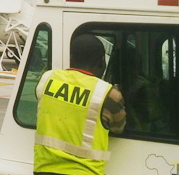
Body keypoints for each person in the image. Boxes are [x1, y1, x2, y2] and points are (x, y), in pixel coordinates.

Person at [34, 35, 125, 175]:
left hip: (44, 170)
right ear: (102, 63)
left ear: (71, 58)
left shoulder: (47, 79)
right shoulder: (109, 94)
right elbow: (119, 128)